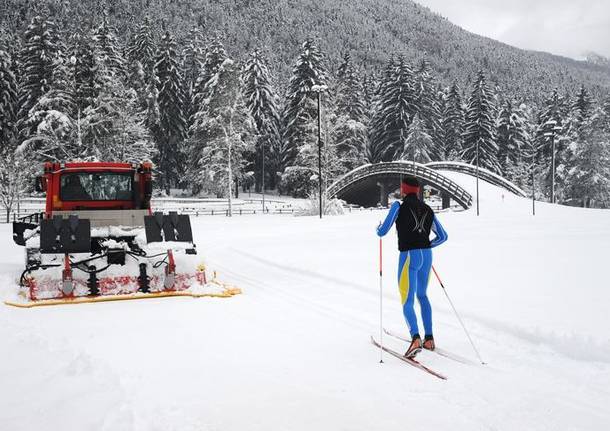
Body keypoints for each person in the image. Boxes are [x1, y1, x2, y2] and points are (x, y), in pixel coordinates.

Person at [376, 177, 448, 358]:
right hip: (426, 255)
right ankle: (429, 338)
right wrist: (426, 245)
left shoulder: (398, 206)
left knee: (406, 300)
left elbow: (383, 231)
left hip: (409, 255)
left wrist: (377, 229)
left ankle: (415, 338)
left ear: (403, 189)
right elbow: (443, 236)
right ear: (417, 191)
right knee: (423, 296)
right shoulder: (428, 209)